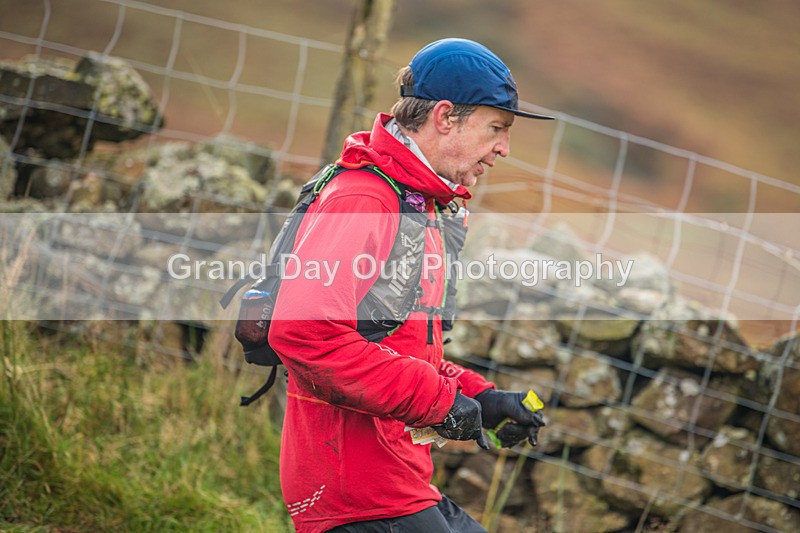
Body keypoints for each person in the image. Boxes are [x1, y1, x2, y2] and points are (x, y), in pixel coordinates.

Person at [269, 38, 550, 533]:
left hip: (396, 481)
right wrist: (439, 402)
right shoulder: (367, 199)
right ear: (445, 116)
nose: (504, 148)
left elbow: (392, 347)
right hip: (357, 493)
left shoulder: (416, 205)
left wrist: (479, 397)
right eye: (496, 129)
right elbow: (303, 333)